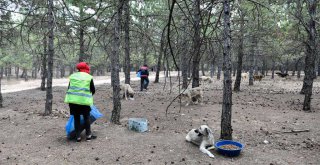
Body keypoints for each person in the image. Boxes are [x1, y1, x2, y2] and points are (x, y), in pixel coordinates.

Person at [64, 62, 96, 142]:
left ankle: (78, 136)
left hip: (73, 101)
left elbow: (69, 88)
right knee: (86, 117)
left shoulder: (72, 76)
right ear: (86, 69)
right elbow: (93, 90)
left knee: (76, 118)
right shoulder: (89, 77)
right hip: (84, 101)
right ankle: (88, 135)